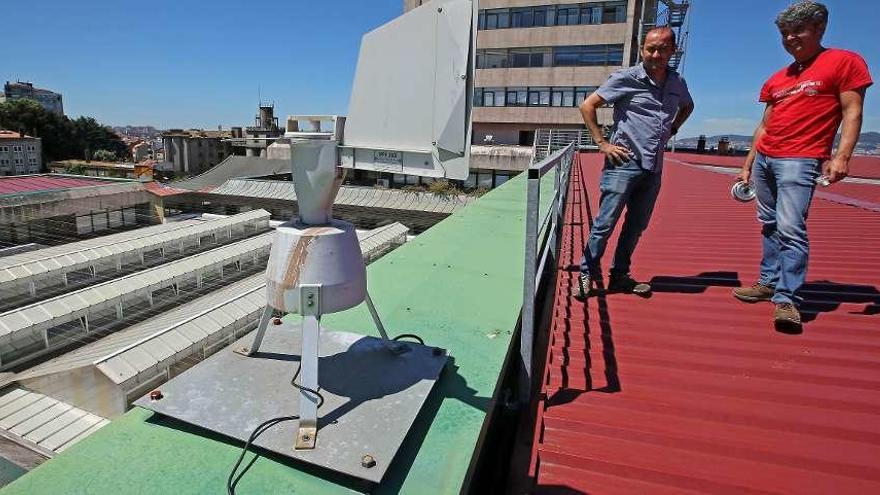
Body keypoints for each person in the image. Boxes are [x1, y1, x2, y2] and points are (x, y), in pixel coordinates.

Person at [733, 1, 872, 332]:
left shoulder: (843, 61)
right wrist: (748, 163)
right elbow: (764, 125)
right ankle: (768, 282)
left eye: (798, 31)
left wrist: (841, 156)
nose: (790, 38)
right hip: (766, 157)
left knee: (790, 227)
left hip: (801, 158)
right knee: (768, 223)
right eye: (784, 34)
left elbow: (852, 111)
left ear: (819, 29)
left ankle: (788, 299)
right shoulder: (779, 78)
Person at [574, 26, 694, 298]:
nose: (655, 54)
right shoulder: (626, 78)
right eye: (650, 48)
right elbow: (587, 105)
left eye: (662, 48)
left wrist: (673, 129)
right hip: (623, 163)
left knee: (636, 225)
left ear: (672, 51)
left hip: (653, 168)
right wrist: (602, 144)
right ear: (642, 50)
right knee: (604, 224)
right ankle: (586, 274)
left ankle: (619, 276)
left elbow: (688, 106)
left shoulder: (677, 83)